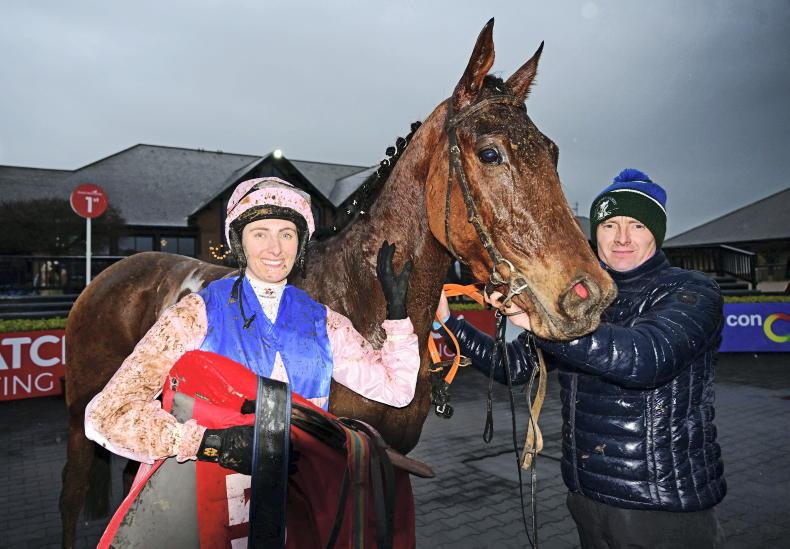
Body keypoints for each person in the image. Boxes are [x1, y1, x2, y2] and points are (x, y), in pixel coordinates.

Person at [85, 177, 420, 543]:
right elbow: (106, 415)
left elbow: (397, 390)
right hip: (215, 509)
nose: (275, 248)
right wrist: (210, 443)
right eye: (260, 233)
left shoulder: (323, 321)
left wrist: (398, 315)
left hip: (300, 506)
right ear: (239, 242)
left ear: (300, 244)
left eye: (287, 234)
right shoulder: (195, 315)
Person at [437, 169, 726, 548]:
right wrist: (448, 323)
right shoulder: (581, 298)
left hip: (661, 505)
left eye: (637, 225)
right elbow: (515, 365)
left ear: (656, 232)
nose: (622, 238)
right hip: (587, 498)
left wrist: (541, 321)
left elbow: (646, 360)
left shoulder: (691, 290)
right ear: (595, 234)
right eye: (609, 225)